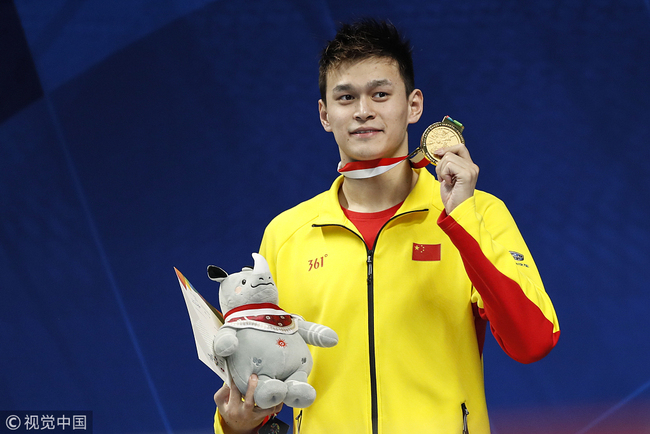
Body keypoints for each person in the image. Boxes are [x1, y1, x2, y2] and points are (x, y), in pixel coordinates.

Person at [213, 18, 560, 434]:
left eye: (380, 94)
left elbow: (533, 341)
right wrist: (236, 426)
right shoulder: (287, 234)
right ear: (325, 114)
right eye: (346, 97)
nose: (363, 111)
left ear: (413, 105)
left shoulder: (477, 212)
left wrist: (460, 219)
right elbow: (264, 375)